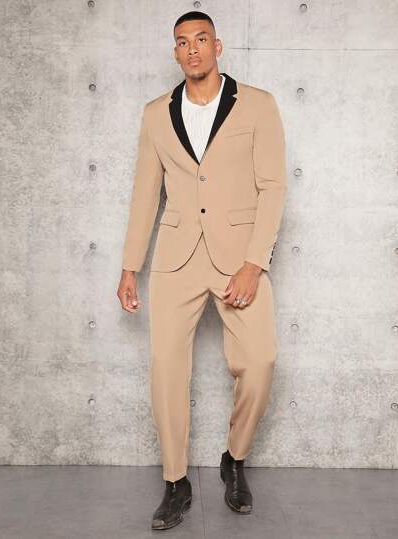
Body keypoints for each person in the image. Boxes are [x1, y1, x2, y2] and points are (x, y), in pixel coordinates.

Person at [117, 10, 287, 531]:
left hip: (239, 258)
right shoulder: (155, 114)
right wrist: (130, 266)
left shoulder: (258, 104)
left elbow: (273, 187)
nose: (192, 49)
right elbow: (145, 193)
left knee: (259, 362)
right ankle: (176, 482)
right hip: (176, 258)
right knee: (166, 369)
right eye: (182, 42)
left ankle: (234, 459)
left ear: (218, 46)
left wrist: (254, 263)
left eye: (201, 39)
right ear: (175, 52)